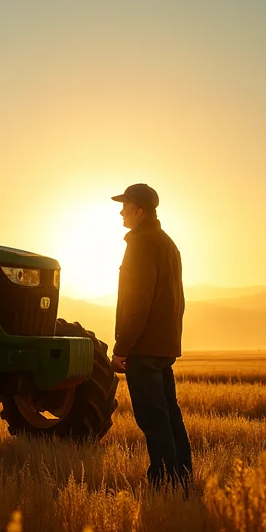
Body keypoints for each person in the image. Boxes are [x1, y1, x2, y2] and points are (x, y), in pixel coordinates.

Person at [110, 184, 192, 489]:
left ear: (139, 211)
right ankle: (182, 479)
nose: (121, 211)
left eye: (125, 205)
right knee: (170, 416)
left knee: (152, 419)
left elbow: (137, 302)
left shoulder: (141, 244)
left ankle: (163, 482)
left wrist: (122, 348)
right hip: (163, 345)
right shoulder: (168, 244)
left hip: (143, 348)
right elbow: (177, 299)